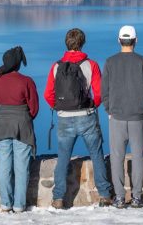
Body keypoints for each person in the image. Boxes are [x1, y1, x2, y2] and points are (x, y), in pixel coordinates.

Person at [44, 28, 114, 208]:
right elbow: (99, 93)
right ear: (82, 43)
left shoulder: (56, 66)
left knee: (63, 158)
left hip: (64, 118)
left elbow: (48, 94)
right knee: (97, 154)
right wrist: (92, 105)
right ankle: (105, 195)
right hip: (87, 116)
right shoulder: (90, 65)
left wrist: (58, 107)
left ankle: (58, 198)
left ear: (66, 43)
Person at [101, 25, 143, 209]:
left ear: (119, 40)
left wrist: (109, 109)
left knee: (117, 157)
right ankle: (138, 197)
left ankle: (119, 197)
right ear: (135, 40)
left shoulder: (110, 62)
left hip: (116, 116)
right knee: (139, 156)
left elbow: (104, 91)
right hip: (138, 116)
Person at [0, 46, 39, 214]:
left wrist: (3, 115)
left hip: (1, 126)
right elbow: (34, 108)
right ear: (17, 64)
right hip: (22, 125)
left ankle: (6, 204)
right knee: (22, 167)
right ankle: (19, 205)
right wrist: (23, 116)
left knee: (4, 166)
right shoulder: (26, 81)